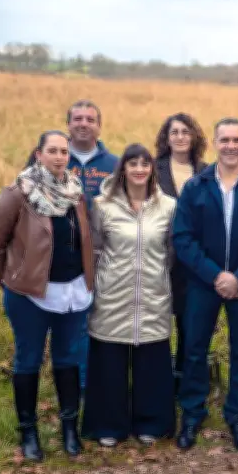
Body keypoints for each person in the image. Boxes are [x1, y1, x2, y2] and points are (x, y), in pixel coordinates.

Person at [173, 117, 238, 451]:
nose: (231, 146)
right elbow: (183, 237)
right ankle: (192, 414)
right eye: (225, 140)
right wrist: (215, 275)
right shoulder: (195, 187)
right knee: (194, 350)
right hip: (202, 284)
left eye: (237, 140)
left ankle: (237, 416)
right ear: (215, 143)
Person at [0, 131, 95, 462]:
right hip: (28, 296)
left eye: (64, 151)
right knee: (29, 359)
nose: (59, 157)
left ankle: (69, 429)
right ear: (39, 154)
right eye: (52, 150)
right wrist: (10, 281)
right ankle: (28, 432)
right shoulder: (18, 193)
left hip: (72, 291)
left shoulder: (76, 192)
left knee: (68, 358)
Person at [82, 144, 178, 447]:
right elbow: (95, 249)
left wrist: (158, 277)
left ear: (152, 170)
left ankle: (152, 423)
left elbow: (171, 252)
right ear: (122, 168)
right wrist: (98, 285)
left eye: (144, 164)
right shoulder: (102, 205)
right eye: (132, 163)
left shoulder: (169, 207)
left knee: (152, 362)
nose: (139, 169)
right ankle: (108, 425)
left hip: (153, 295)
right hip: (113, 294)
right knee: (109, 362)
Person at [65, 99, 118, 393]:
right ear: (68, 124)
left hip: (102, 258)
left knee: (97, 322)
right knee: (68, 326)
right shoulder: (51, 157)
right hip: (60, 258)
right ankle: (70, 385)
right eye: (78, 118)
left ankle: (90, 385)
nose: (83, 123)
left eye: (90, 119)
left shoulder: (114, 165)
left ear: (99, 126)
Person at [154, 112, 208, 391]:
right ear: (166, 138)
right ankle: (159, 378)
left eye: (186, 132)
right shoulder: (152, 169)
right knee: (158, 322)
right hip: (160, 258)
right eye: (174, 132)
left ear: (194, 136)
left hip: (194, 261)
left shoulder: (207, 171)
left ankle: (186, 377)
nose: (180, 137)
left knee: (190, 323)